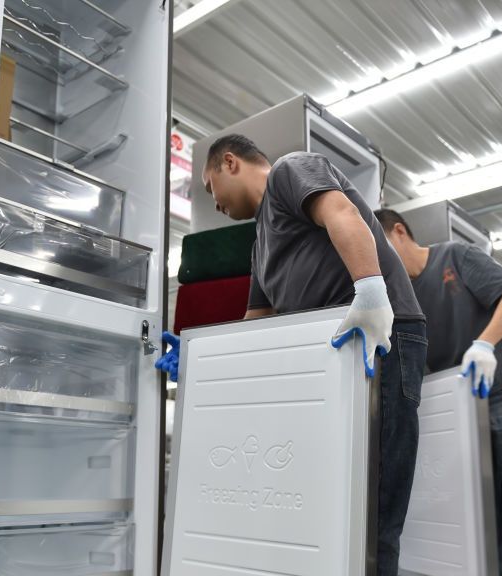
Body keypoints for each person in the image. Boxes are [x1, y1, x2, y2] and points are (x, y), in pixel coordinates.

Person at [159, 134, 427, 576]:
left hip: (380, 335)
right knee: (336, 508)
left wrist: (372, 290)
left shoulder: (291, 170)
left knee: (373, 513)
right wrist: (200, 365)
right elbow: (256, 325)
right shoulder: (260, 245)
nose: (214, 203)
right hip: (335, 356)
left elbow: (341, 212)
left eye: (210, 188)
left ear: (230, 163)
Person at [375, 209, 502, 576]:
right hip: (456, 407)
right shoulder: (398, 295)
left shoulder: (454, 256)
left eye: (380, 246)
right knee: (476, 506)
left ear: (399, 232)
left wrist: (484, 345)